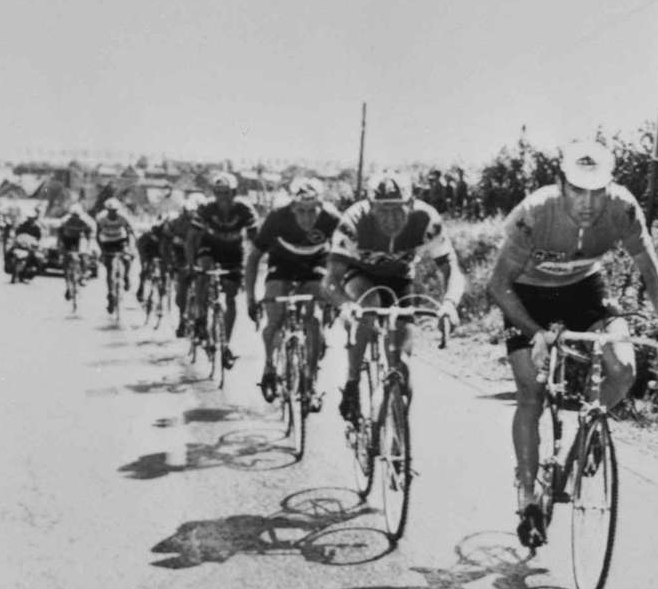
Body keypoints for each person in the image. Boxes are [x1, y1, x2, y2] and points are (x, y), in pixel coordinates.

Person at [486, 139, 658, 548]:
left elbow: (651, 271)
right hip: (528, 295)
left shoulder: (623, 208)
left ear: (609, 187)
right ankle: (528, 499)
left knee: (624, 368)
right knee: (531, 392)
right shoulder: (534, 212)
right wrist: (535, 332)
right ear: (561, 186)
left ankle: (582, 443)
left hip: (584, 289)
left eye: (598, 190)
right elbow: (497, 284)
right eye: (578, 190)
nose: (589, 203)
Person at [323, 171, 466, 423]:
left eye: (397, 210)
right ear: (370, 208)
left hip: (400, 278)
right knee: (368, 307)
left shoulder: (425, 219)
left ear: (410, 206)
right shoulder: (353, 221)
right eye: (382, 211)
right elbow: (331, 280)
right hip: (360, 274)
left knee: (401, 362)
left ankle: (397, 428)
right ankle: (353, 383)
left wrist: (450, 304)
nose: (390, 219)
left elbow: (452, 270)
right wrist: (344, 305)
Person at [245, 177, 341, 407]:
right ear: (292, 207)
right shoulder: (278, 217)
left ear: (321, 207)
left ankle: (311, 382)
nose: (307, 217)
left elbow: (345, 259)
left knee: (314, 319)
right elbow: (254, 257)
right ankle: (269, 366)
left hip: (315, 265)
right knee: (275, 316)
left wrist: (336, 298)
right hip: (282, 265)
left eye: (312, 211)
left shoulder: (332, 219)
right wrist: (251, 297)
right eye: (301, 211)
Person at [186, 172, 258, 369]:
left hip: (234, 252)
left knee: (231, 296)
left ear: (234, 193)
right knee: (204, 270)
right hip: (210, 248)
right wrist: (192, 265)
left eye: (226, 193)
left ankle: (225, 344)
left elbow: (256, 240)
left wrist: (253, 263)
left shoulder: (244, 209)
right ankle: (200, 317)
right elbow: (191, 239)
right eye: (218, 193)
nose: (222, 198)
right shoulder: (207, 208)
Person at [168, 194, 202, 337]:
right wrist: (176, 264)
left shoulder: (207, 221)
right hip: (183, 258)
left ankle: (203, 321)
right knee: (181, 293)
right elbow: (174, 245)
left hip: (201, 257)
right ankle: (183, 320)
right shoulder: (178, 223)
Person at [95, 198, 136, 313]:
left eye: (115, 211)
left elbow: (131, 233)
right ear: (107, 210)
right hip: (107, 242)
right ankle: (111, 294)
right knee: (110, 269)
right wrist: (102, 250)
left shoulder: (123, 217)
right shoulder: (101, 218)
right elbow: (97, 235)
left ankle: (126, 276)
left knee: (128, 259)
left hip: (120, 240)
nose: (113, 213)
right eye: (110, 211)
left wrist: (131, 248)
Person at [57, 203, 95, 299]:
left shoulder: (87, 221)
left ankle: (84, 273)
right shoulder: (65, 220)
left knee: (84, 253)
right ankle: (68, 284)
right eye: (73, 216)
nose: (75, 218)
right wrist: (60, 247)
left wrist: (88, 248)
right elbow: (60, 234)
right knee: (66, 258)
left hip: (81, 237)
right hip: (68, 238)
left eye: (77, 216)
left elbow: (91, 235)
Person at [135, 216, 173, 303]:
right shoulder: (152, 233)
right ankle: (141, 289)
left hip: (161, 253)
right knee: (145, 269)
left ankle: (162, 287)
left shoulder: (170, 236)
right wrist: (144, 259)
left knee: (164, 270)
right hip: (149, 250)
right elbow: (142, 246)